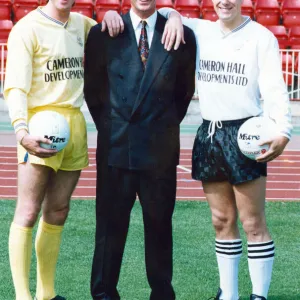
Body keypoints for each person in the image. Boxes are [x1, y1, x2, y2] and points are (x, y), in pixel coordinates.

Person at [156, 1, 293, 299]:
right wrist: (177, 16)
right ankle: (228, 294)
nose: (225, 2)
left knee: (253, 222)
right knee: (221, 220)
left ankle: (259, 295)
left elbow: (273, 87)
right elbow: (161, 12)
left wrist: (283, 130)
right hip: (209, 133)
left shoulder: (260, 37)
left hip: (245, 134)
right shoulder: (199, 30)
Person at [84, 0, 197, 299]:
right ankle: (104, 294)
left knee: (159, 230)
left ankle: (161, 295)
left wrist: (159, 126)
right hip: (116, 148)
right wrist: (114, 128)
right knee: (109, 232)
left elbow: (184, 93)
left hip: (159, 151)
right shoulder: (104, 33)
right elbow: (93, 92)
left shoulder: (181, 34)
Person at [3, 0, 97, 299]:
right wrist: (21, 130)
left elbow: (124, 32)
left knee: (58, 210)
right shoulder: (27, 28)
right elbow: (15, 85)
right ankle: (22, 296)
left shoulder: (83, 24)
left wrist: (170, 13)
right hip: (40, 127)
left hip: (74, 125)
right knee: (28, 211)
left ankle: (47, 294)